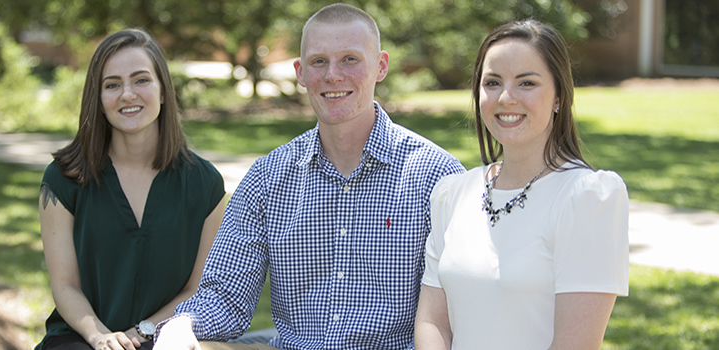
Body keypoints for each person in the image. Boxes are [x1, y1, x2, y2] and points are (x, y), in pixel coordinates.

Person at [152, 4, 465, 350]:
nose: (333, 75)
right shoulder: (267, 179)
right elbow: (225, 295)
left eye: (350, 59)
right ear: (300, 72)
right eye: (319, 62)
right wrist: (182, 326)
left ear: (381, 66)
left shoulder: (437, 177)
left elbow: (461, 311)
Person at [413, 20, 629, 350]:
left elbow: (576, 344)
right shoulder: (452, 194)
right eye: (493, 82)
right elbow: (433, 323)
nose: (507, 97)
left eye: (526, 83)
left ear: (559, 96)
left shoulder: (587, 198)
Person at [36, 28, 226, 350]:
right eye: (112, 85)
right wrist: (100, 337)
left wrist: (143, 332)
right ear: (98, 98)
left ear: (163, 91)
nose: (127, 95)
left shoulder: (205, 184)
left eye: (141, 80)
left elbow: (197, 288)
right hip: (79, 339)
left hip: (163, 336)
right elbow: (66, 286)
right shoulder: (63, 179)